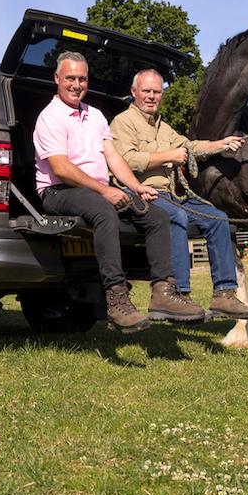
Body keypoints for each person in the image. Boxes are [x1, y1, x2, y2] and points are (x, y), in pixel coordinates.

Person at [33, 52, 205, 333]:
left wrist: (137, 187)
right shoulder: (50, 117)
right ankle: (116, 298)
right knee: (103, 212)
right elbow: (61, 168)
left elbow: (113, 158)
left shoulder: (96, 115)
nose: (76, 84)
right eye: (70, 78)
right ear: (57, 79)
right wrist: (106, 191)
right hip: (59, 191)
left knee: (156, 216)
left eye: (82, 79)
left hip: (96, 190)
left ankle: (163, 291)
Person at [111, 68, 248, 319]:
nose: (151, 96)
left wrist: (220, 144)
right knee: (176, 215)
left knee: (218, 217)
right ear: (133, 92)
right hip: (138, 192)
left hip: (169, 195)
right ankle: (177, 294)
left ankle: (224, 294)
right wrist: (168, 156)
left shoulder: (162, 127)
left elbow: (188, 147)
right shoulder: (122, 122)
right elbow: (127, 160)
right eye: (146, 91)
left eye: (156, 92)